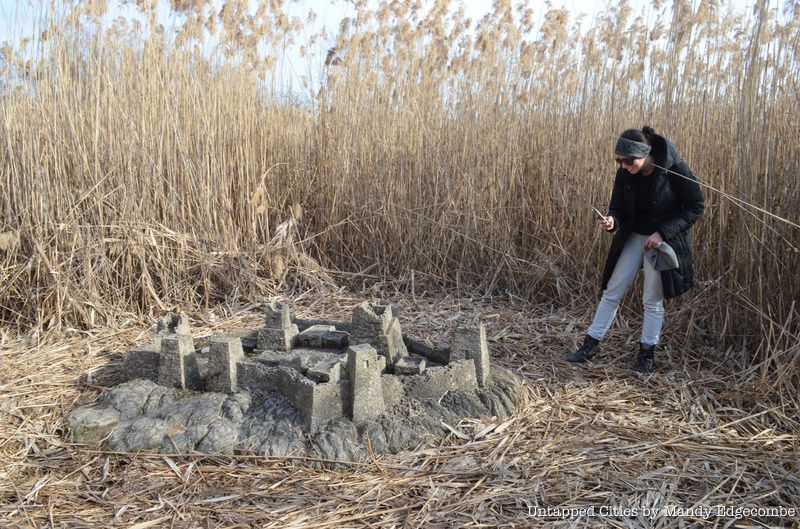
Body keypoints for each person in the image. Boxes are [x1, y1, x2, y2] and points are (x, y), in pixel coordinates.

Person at [567, 126, 705, 373]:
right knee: (612, 291)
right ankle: (590, 345)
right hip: (633, 236)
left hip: (661, 242)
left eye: (629, 161)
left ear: (646, 154)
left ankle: (646, 355)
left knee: (651, 300)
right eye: (619, 160)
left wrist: (663, 232)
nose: (623, 166)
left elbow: (696, 206)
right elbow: (617, 207)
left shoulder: (674, 169)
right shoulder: (625, 174)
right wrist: (612, 222)